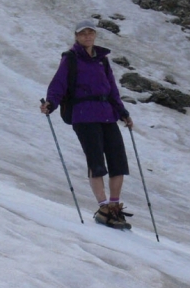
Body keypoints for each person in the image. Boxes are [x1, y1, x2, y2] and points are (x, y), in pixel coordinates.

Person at [40, 19, 134, 229]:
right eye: (83, 34)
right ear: (76, 36)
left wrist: (122, 112)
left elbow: (112, 88)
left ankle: (114, 206)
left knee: (118, 160)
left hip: (107, 114)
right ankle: (103, 209)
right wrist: (51, 103)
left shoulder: (102, 60)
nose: (87, 37)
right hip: (83, 115)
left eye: (90, 33)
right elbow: (59, 84)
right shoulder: (71, 59)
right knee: (96, 161)